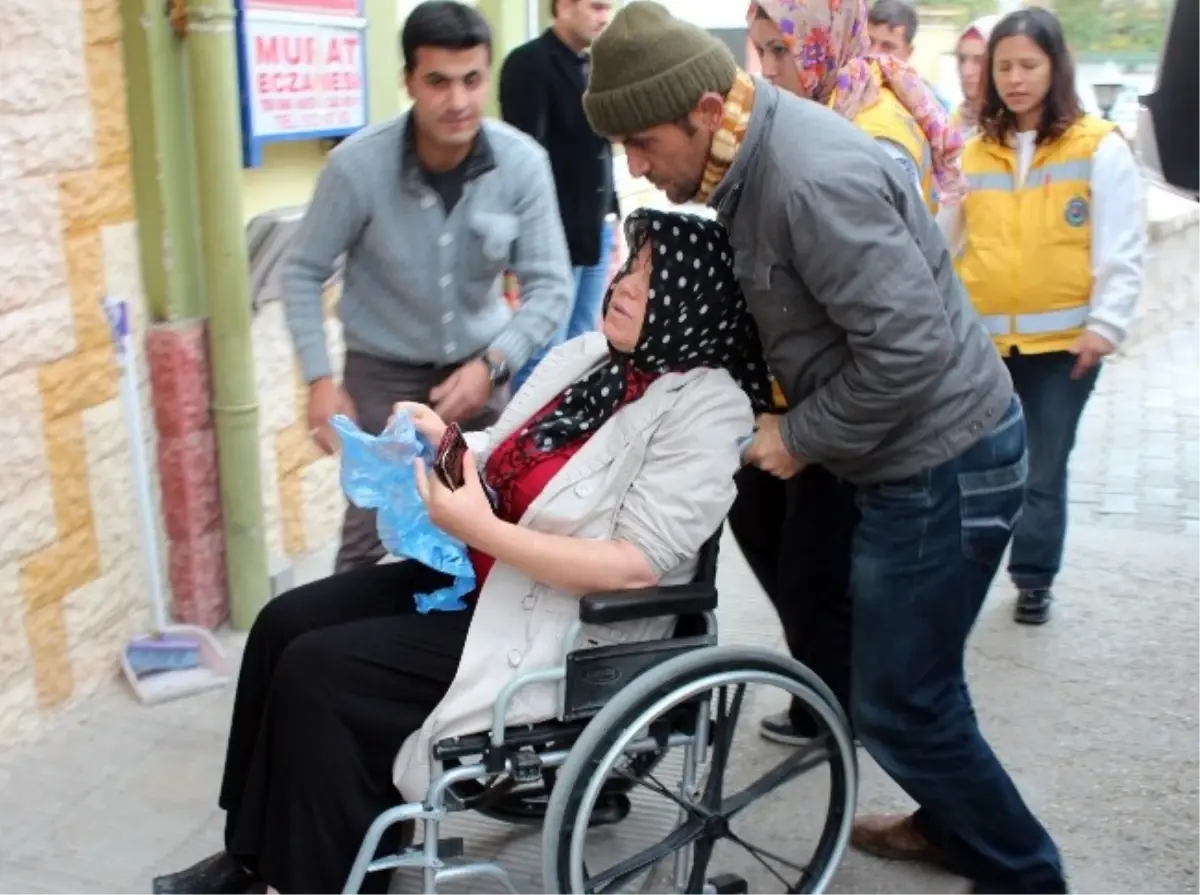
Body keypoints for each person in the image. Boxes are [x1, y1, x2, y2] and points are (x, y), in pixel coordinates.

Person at [584, 3, 1067, 892]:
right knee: (903, 685)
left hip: (943, 464)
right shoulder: (745, 158)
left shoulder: (806, 177)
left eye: (644, 143)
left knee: (901, 703)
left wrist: (797, 436)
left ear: (700, 107)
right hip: (905, 456)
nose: (638, 168)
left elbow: (910, 354)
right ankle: (955, 824)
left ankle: (1027, 873)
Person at [151, 209, 772, 895]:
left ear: (697, 299)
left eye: (653, 278)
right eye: (629, 266)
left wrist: (482, 529)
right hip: (482, 581)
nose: (625, 284)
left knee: (319, 673)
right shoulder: (588, 359)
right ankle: (251, 856)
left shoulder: (710, 409)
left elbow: (634, 564)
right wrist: (441, 436)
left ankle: (315, 879)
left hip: (566, 628)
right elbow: (502, 452)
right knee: (282, 625)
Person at [735, 0, 966, 747]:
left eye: (782, 51)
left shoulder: (865, 135)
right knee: (774, 535)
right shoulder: (825, 112)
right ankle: (835, 690)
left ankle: (842, 706)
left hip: (860, 402)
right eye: (762, 51)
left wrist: (804, 430)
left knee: (816, 574)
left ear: (826, 42)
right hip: (811, 387)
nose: (770, 72)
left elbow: (899, 321)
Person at [283, 0, 573, 573]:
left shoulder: (523, 165)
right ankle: (344, 657)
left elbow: (552, 287)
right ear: (409, 80)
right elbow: (301, 270)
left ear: (486, 75)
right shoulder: (354, 167)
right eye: (438, 81)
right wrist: (319, 379)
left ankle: (469, 657)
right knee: (369, 533)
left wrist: (493, 365)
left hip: (478, 371)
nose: (458, 101)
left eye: (471, 80)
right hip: (380, 374)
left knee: (494, 526)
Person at [941, 7, 1144, 625]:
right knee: (973, 470)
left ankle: (1033, 578)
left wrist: (1104, 326)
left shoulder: (1097, 147)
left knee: (1044, 469)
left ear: (1055, 67)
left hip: (1062, 348)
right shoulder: (971, 152)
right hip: (983, 349)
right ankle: (963, 577)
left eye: (1028, 64)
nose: (1014, 78)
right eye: (1004, 66)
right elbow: (940, 245)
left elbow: (1122, 244)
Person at [499, 0, 624, 393]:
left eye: (608, 8)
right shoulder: (529, 64)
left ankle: (559, 441)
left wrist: (613, 213)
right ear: (563, 6)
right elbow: (523, 160)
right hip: (551, 237)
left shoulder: (593, 66)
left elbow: (599, 149)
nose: (604, 16)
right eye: (596, 6)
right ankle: (517, 441)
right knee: (541, 350)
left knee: (581, 346)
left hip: (595, 229)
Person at [866, 0, 952, 111]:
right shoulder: (842, 84)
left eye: (887, 47)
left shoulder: (930, 107)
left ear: (908, 52)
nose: (872, 54)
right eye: (868, 42)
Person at [950, 14, 1001, 140]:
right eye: (962, 60)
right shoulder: (948, 125)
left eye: (979, 61)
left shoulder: (1013, 130)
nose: (966, 71)